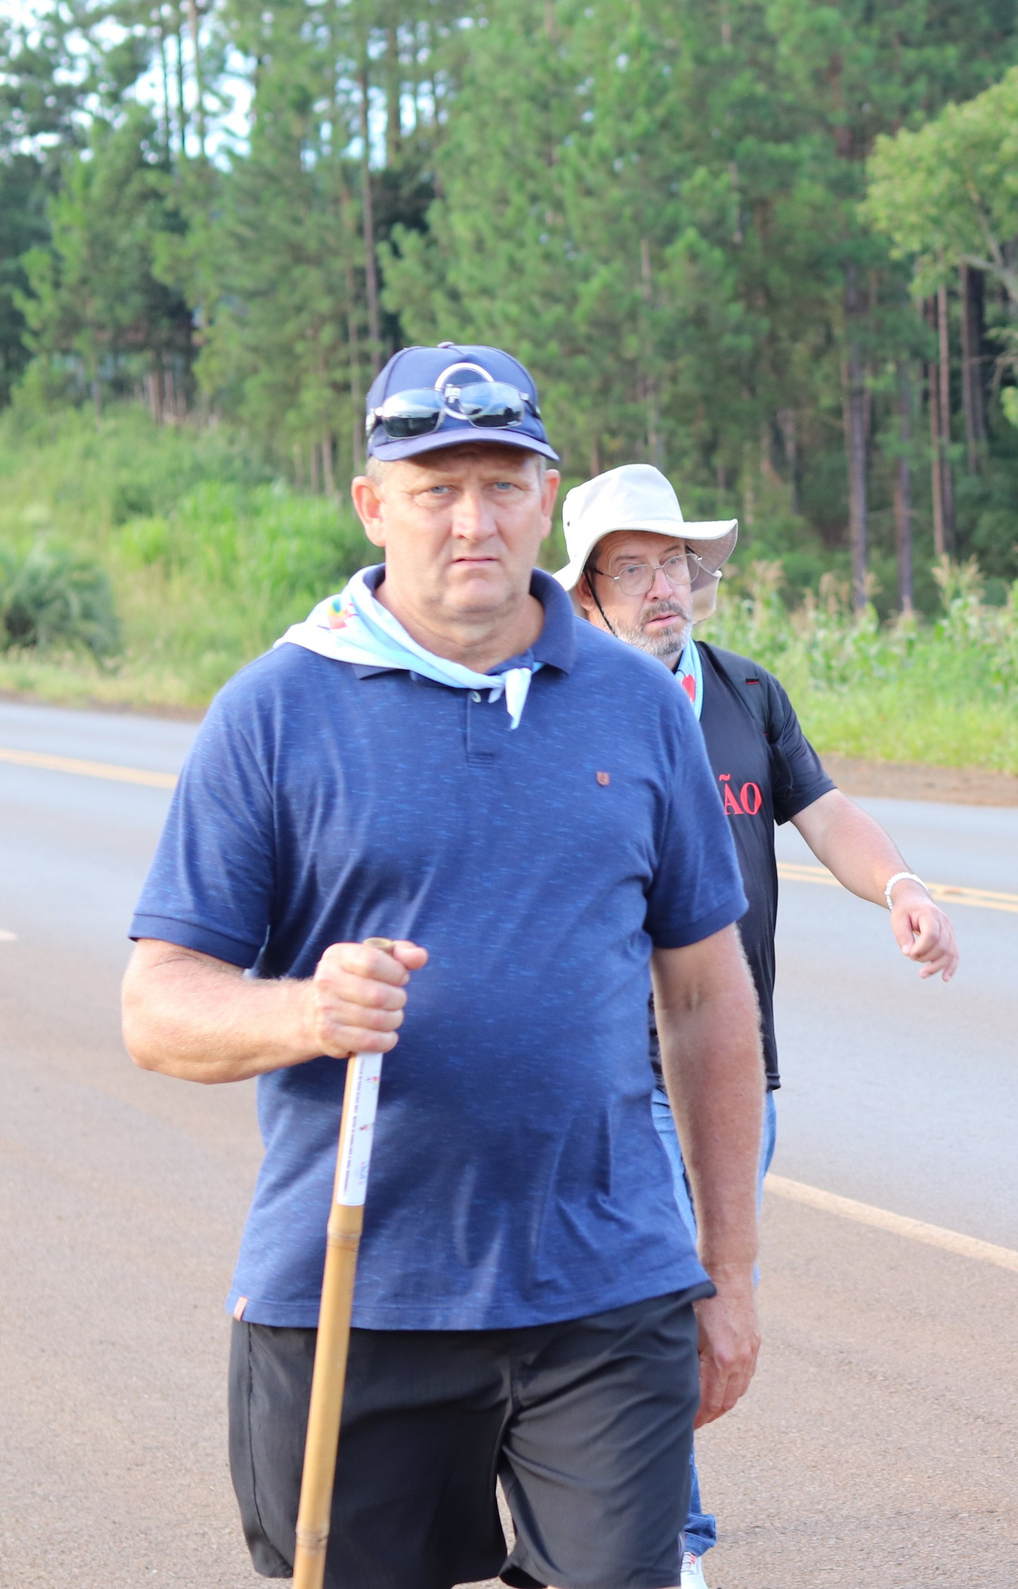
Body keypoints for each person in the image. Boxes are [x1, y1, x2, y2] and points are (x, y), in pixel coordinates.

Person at [121, 343, 767, 1589]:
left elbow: (704, 997)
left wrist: (726, 1274)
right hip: (356, 1293)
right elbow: (159, 1009)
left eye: (501, 484)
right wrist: (306, 1010)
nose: (472, 520)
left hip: (606, 1281)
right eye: (434, 488)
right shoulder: (276, 710)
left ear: (545, 497)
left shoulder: (638, 706)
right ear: (374, 503)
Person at [559, 461, 958, 1587]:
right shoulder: (566, 703)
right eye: (628, 568)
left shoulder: (744, 696)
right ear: (585, 594)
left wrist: (900, 889)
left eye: (674, 563)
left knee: (686, 1302)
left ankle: (630, 1519)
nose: (659, 586)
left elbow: (824, 815)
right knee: (650, 1300)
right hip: (607, 1069)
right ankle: (669, 1544)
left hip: (734, 1070)